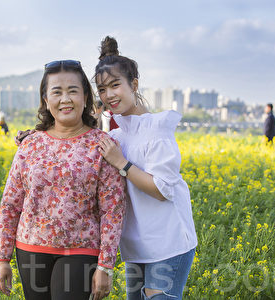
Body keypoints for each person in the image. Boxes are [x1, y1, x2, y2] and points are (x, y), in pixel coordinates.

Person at [0, 60, 126, 300]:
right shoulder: (30, 145)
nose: (65, 99)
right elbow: (11, 203)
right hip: (30, 248)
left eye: (73, 91)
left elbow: (113, 210)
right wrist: (2, 258)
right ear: (46, 100)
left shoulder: (103, 145)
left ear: (85, 97)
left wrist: (105, 265)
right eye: (57, 92)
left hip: (81, 250)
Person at [94, 36, 197, 300]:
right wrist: (36, 137)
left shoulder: (157, 130)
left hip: (167, 242)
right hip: (137, 244)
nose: (109, 95)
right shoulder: (117, 137)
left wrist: (123, 164)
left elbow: (163, 190)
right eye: (102, 90)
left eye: (115, 85)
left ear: (134, 84)